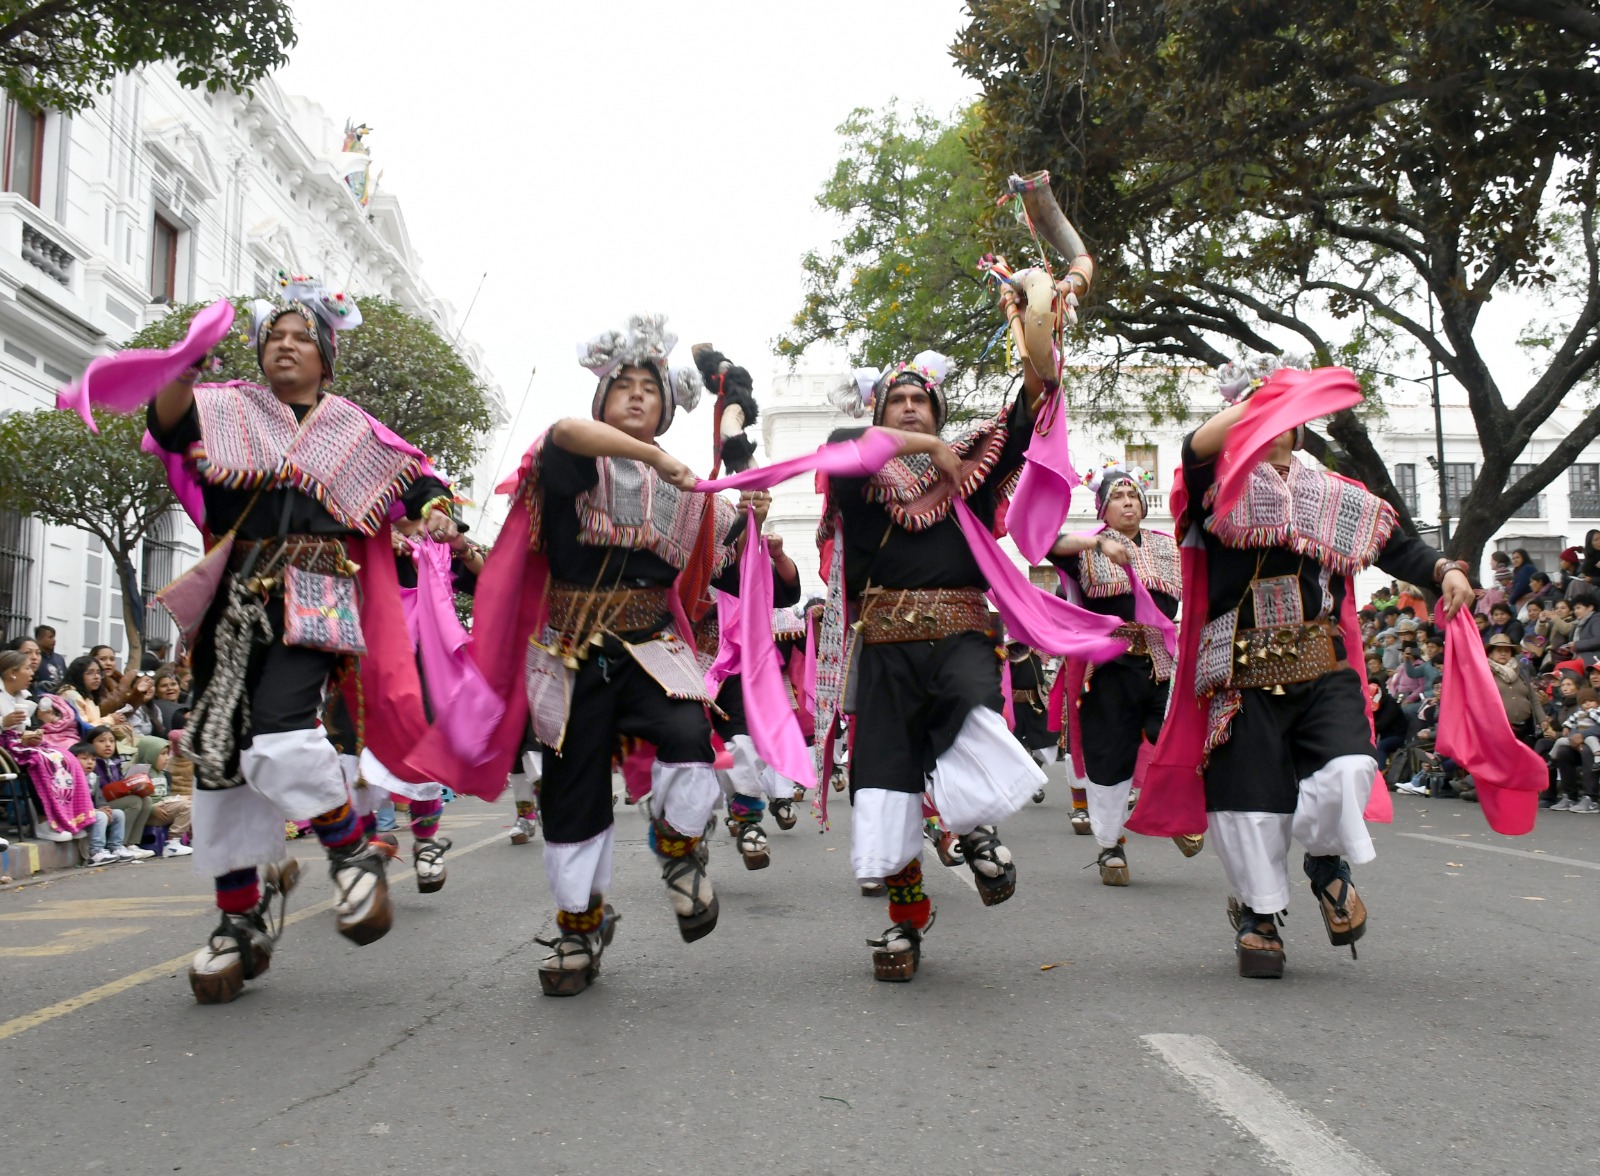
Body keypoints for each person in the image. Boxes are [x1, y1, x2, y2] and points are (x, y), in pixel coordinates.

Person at [144, 278, 457, 1003]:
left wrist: (437, 512)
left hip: (317, 594)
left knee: (283, 733)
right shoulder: (221, 407)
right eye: (275, 335)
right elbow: (167, 423)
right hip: (229, 602)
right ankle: (238, 919)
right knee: (219, 758)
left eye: (303, 336)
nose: (286, 344)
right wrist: (184, 364)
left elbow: (418, 482)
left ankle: (351, 852)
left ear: (327, 356)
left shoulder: (353, 428)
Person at [1160, 360, 1472, 980]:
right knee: (1250, 806)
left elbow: (1398, 545)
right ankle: (1258, 915)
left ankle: (1326, 864)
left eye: (1288, 415)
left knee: (1350, 769)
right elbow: (1196, 445)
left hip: (1321, 665)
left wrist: (1444, 570)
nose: (1277, 424)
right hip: (1240, 671)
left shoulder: (1337, 494)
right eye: (1263, 413)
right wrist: (1256, 403)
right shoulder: (1215, 486)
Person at [488, 314, 733, 997]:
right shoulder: (573, 460)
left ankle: (680, 851)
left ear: (666, 405)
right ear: (602, 399)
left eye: (646, 388)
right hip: (575, 651)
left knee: (690, 735)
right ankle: (580, 923)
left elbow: (719, 558)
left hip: (651, 646)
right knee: (573, 788)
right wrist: (653, 458)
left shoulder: (688, 491)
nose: (633, 395)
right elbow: (563, 432)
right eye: (620, 386)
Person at [818, 339, 1049, 982]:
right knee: (887, 787)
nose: (911, 408)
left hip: (961, 637)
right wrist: (928, 449)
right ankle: (905, 919)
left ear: (938, 410)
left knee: (976, 709)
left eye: (922, 401)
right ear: (880, 411)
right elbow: (845, 442)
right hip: (886, 649)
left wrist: (1039, 335)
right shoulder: (859, 476)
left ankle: (971, 827)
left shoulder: (967, 475)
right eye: (898, 401)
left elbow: (1027, 417)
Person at [1048, 463, 1191, 885]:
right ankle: (1110, 845)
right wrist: (1093, 545)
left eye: (1133, 497)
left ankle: (1177, 814)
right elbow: (1042, 542)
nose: (1127, 503)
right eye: (1116, 497)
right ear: (1102, 509)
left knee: (1174, 739)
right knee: (1111, 757)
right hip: (1110, 668)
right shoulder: (1087, 552)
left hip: (1163, 664)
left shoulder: (1171, 547)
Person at [86, 725, 156, 857]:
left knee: (146, 800)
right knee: (134, 802)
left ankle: (132, 843)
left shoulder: (114, 763)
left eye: (111, 741)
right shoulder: (93, 763)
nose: (108, 745)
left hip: (113, 800)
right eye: (101, 741)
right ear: (90, 744)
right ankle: (120, 844)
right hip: (99, 805)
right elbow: (98, 791)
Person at [135, 734, 193, 855]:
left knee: (194, 801)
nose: (167, 758)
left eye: (167, 754)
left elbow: (164, 795)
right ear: (149, 754)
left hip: (163, 807)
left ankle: (193, 839)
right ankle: (172, 843)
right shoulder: (140, 772)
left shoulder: (163, 774)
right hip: (150, 812)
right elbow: (136, 798)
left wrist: (177, 798)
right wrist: (151, 809)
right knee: (188, 807)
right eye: (162, 754)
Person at [1486, 635, 1544, 744]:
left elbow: (1533, 698)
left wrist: (1543, 720)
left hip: (1526, 728)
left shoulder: (1520, 672)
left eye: (1506, 650)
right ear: (1490, 654)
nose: (1503, 653)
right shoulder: (1486, 675)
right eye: (1499, 650)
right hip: (1499, 731)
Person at [32, 626, 66, 693]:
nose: (54, 640)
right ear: (39, 639)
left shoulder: (59, 658)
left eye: (54, 637)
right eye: (50, 637)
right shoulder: (35, 659)